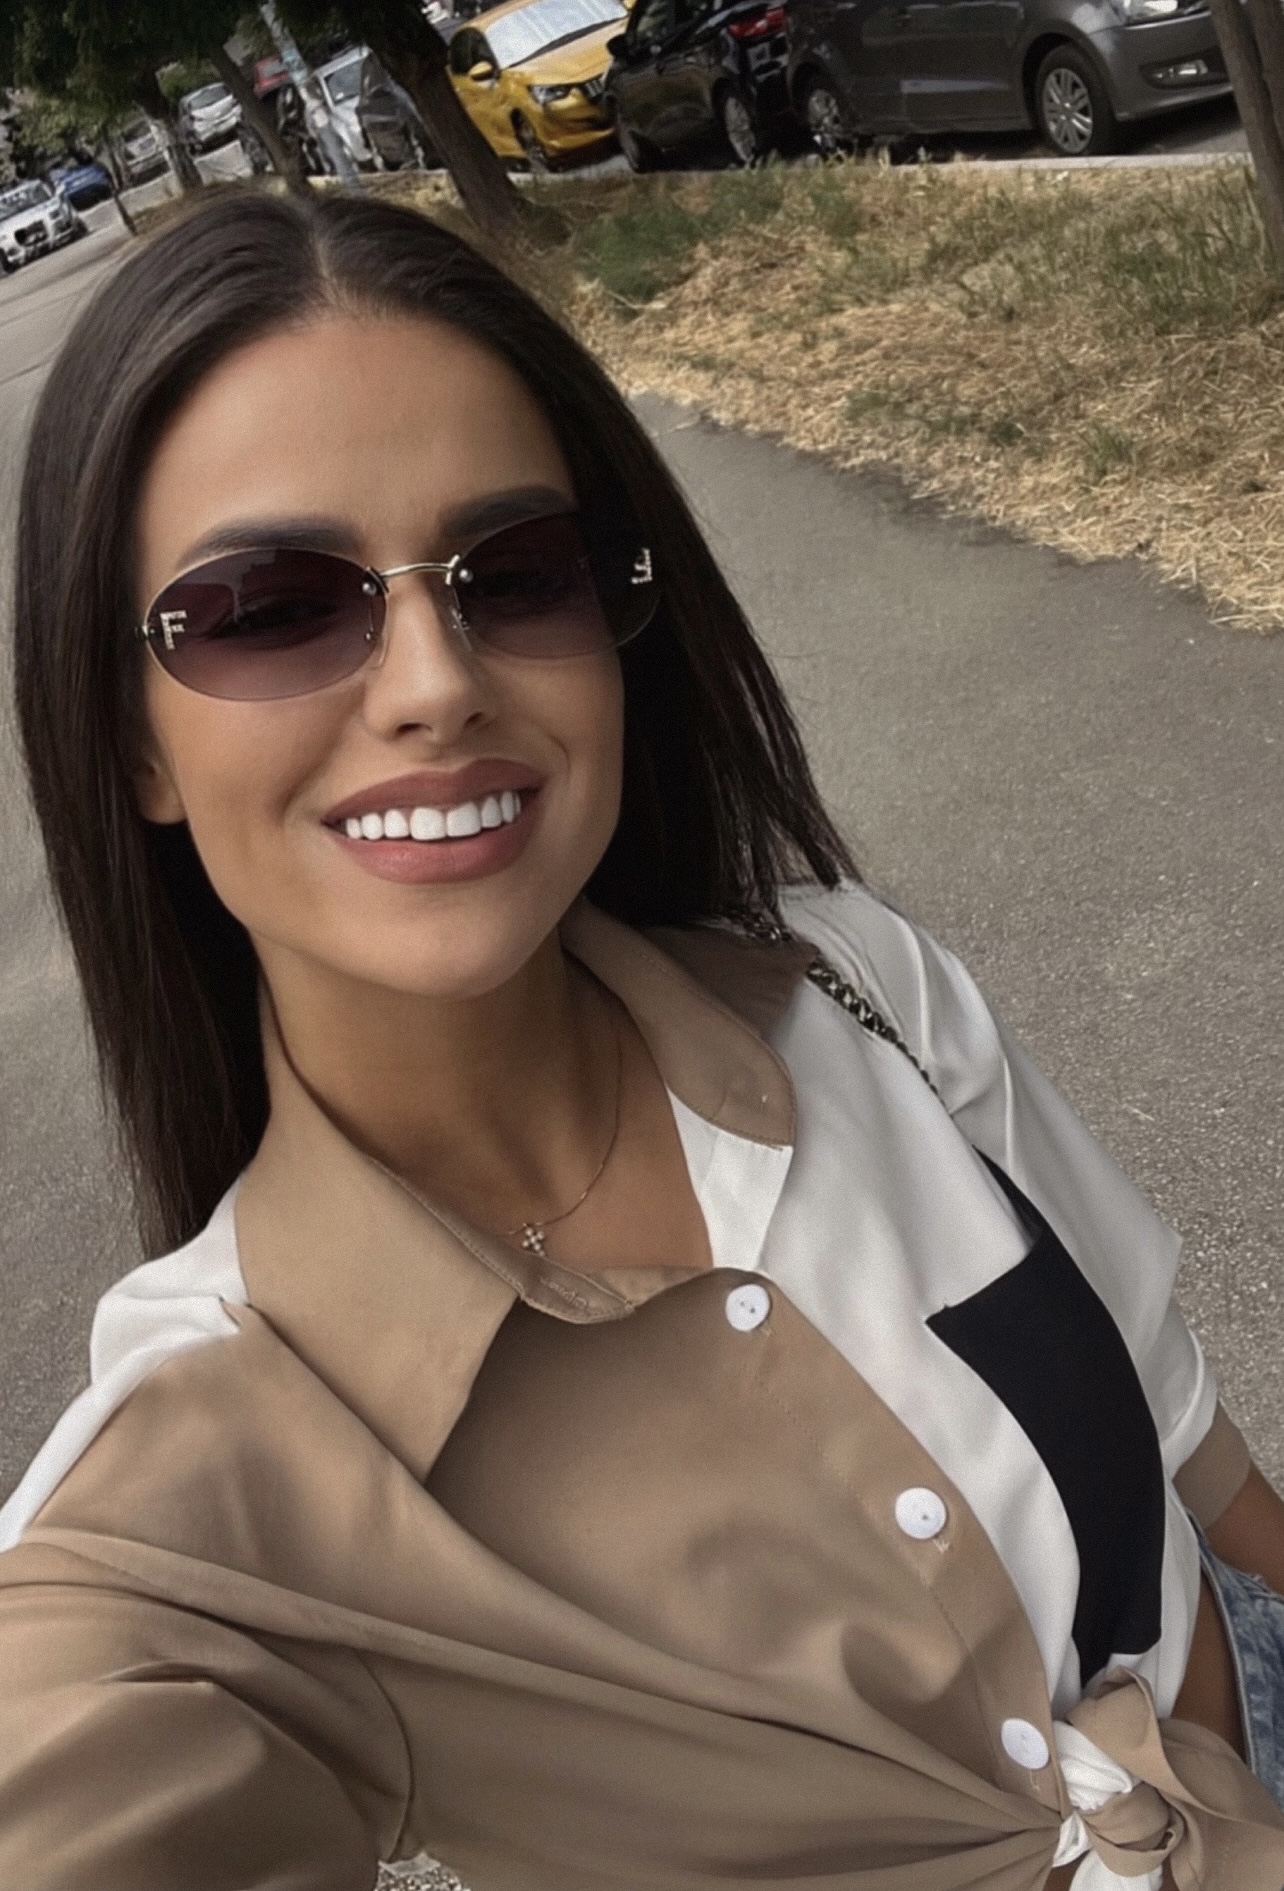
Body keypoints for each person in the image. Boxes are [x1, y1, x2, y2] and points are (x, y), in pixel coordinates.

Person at [0, 189, 1282, 1891]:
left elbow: (1190, 1440)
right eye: (270, 607)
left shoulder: (855, 988)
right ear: (133, 743)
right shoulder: (214, 1463)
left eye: (517, 573)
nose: (434, 678)